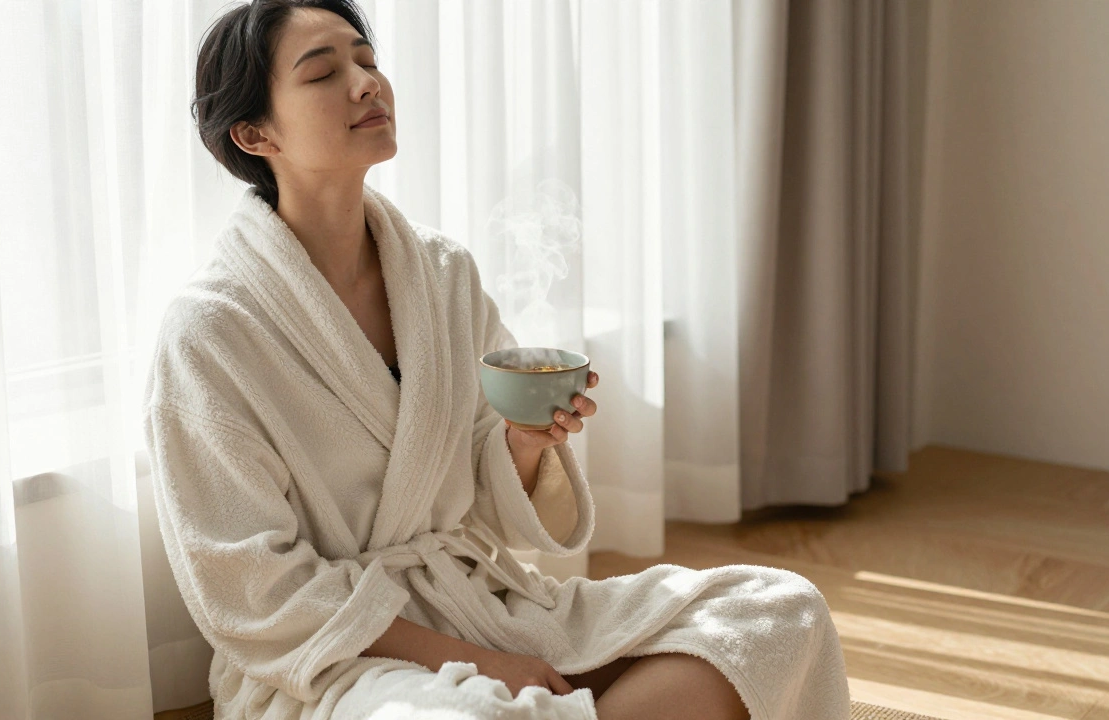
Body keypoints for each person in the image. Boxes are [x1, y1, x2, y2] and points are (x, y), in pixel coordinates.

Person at [142, 2, 851, 719]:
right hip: (338, 657)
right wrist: (481, 666)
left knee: (776, 611)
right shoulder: (210, 333)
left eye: (367, 60)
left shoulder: (442, 274)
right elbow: (253, 590)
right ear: (254, 132)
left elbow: (483, 491)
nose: (366, 83)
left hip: (483, 602)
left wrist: (523, 442)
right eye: (324, 72)